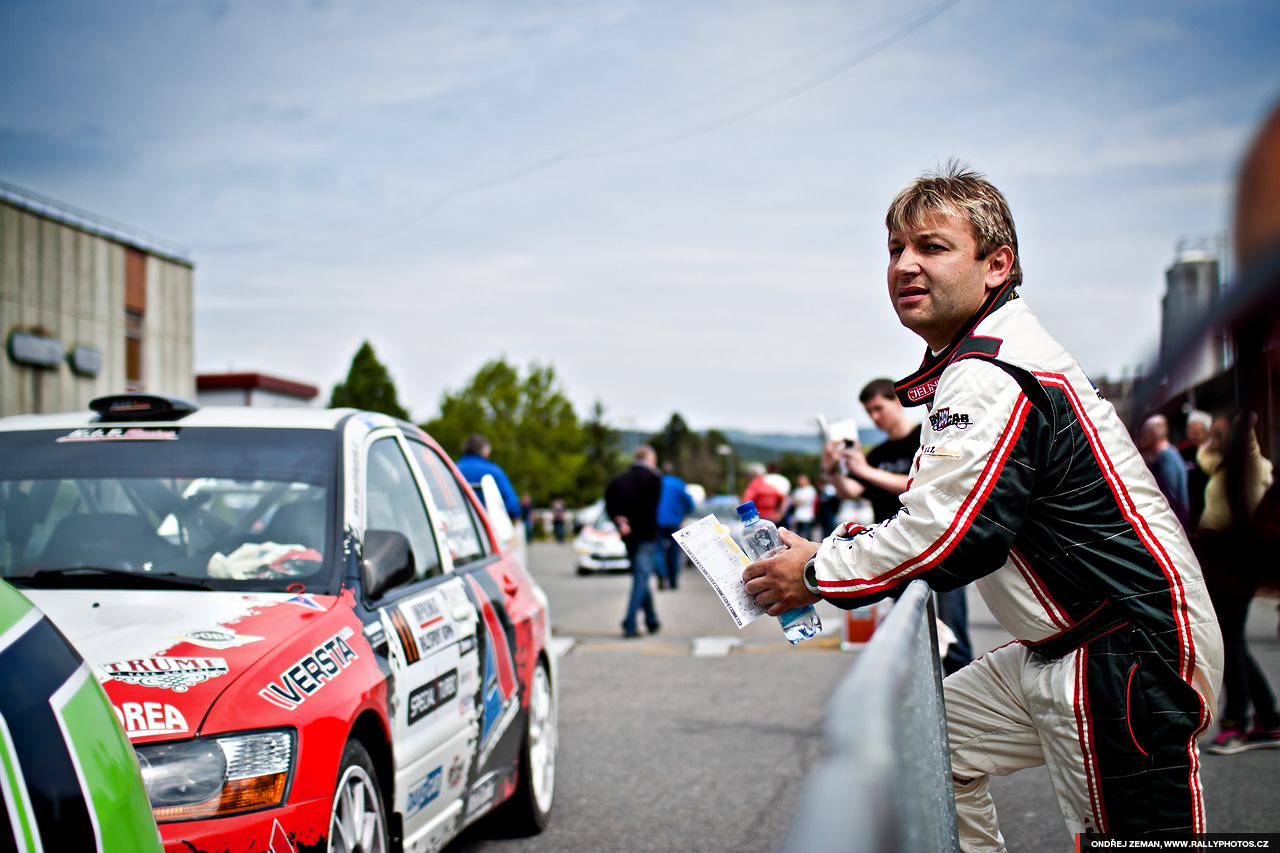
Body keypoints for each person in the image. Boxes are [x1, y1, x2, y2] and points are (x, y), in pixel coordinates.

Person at [743, 164, 1221, 849]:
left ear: (997, 265)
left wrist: (815, 571)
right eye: (894, 249)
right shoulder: (980, 359)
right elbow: (946, 511)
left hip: (1121, 645)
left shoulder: (991, 368)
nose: (905, 264)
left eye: (932, 247)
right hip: (1074, 641)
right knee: (932, 744)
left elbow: (950, 536)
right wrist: (833, 547)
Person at [823, 377, 973, 675]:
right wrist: (831, 470)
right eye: (869, 412)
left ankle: (961, 699)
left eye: (879, 408)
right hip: (896, 550)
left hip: (937, 545)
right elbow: (851, 492)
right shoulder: (878, 454)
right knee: (911, 633)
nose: (875, 417)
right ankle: (924, 705)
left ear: (896, 401)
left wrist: (866, 471)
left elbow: (923, 484)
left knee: (952, 633)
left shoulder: (926, 437)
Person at [1197, 414, 1280, 754]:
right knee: (1232, 642)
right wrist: (1213, 439)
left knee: (1229, 642)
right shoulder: (1223, 467)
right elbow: (1206, 457)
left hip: (1237, 563)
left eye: (1222, 436)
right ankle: (1268, 719)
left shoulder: (1251, 466)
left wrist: (1242, 421)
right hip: (1221, 560)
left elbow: (1245, 441)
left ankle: (1237, 723)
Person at [605, 446, 663, 638]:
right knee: (641, 577)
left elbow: (609, 504)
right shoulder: (653, 479)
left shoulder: (618, 480)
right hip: (645, 536)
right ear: (650, 459)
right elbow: (649, 507)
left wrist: (621, 522)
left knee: (641, 576)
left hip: (627, 535)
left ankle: (652, 620)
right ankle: (629, 623)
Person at [1138, 414, 1191, 530]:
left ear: (1154, 435)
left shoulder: (1165, 458)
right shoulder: (1168, 454)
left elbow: (1166, 499)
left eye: (1144, 433)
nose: (1141, 438)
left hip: (1173, 528)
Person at [455, 434, 522, 521]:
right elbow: (513, 506)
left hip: (457, 525)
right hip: (487, 527)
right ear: (485, 451)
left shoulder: (450, 470)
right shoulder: (494, 471)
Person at [655, 462, 695, 590]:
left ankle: (661, 574)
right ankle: (673, 581)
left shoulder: (657, 483)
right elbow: (689, 503)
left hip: (658, 522)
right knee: (674, 552)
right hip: (674, 522)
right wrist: (684, 513)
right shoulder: (678, 483)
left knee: (658, 551)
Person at [1178, 410, 1212, 530]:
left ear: (1208, 432)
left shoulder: (1214, 452)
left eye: (1196, 433)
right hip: (1189, 507)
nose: (1192, 436)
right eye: (1190, 432)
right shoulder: (1182, 452)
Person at [789, 474, 818, 540]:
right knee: (798, 536)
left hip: (807, 517)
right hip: (798, 516)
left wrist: (798, 501)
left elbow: (806, 501)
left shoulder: (810, 490)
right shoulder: (797, 490)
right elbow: (793, 502)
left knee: (807, 536)